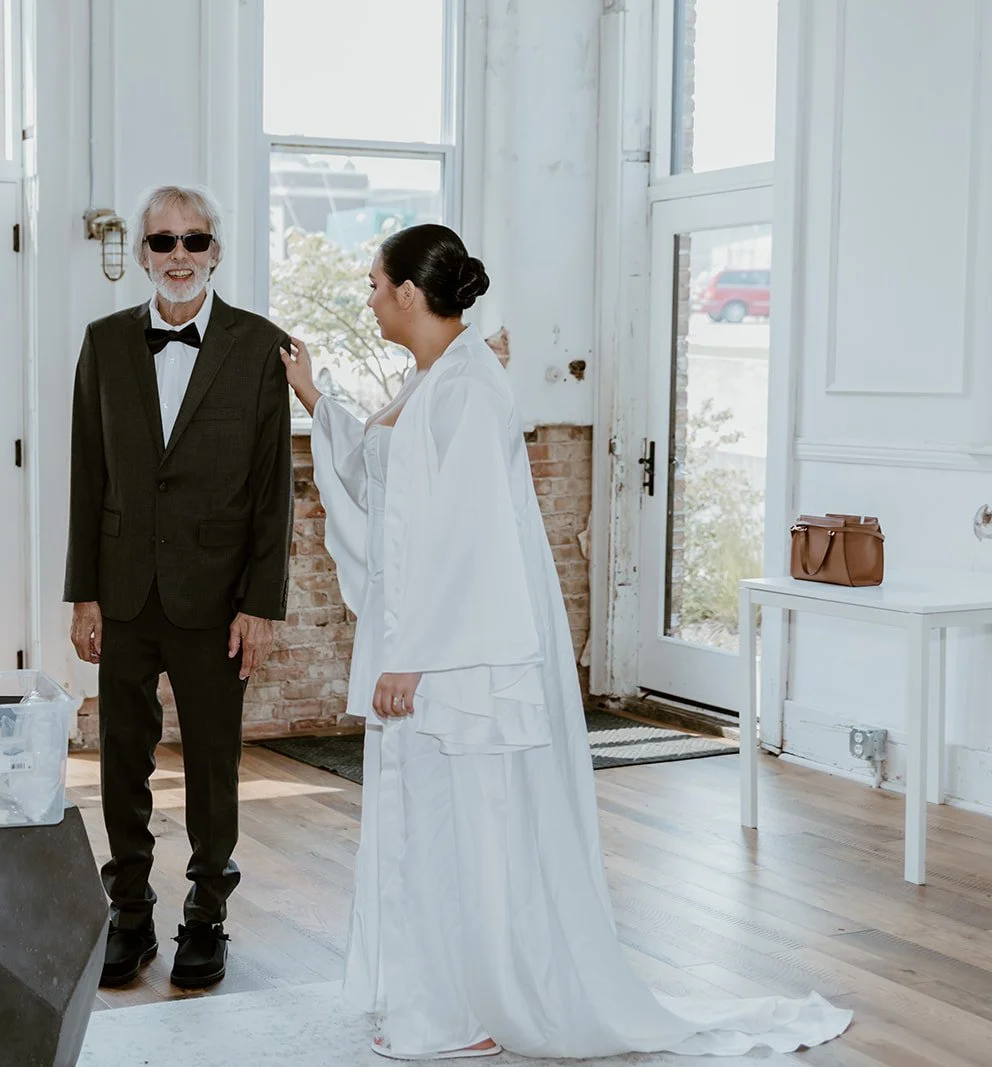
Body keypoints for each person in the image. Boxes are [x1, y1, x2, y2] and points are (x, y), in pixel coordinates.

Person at [280, 224, 852, 1060]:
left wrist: (412, 655)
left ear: (408, 292)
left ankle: (474, 1006)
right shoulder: (442, 377)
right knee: (429, 820)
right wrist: (313, 395)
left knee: (467, 822)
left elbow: (471, 538)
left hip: (461, 654)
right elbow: (382, 468)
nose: (366, 299)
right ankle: (439, 997)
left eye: (372, 284)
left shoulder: (471, 388)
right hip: (435, 640)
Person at [66, 185, 294, 989]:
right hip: (123, 595)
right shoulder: (102, 343)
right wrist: (82, 592)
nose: (179, 256)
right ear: (142, 255)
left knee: (212, 763)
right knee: (121, 758)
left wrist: (261, 603)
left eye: (194, 241)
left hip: (216, 597)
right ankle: (129, 912)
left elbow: (274, 490)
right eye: (163, 242)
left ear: (216, 251)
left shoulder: (260, 346)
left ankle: (207, 916)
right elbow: (87, 476)